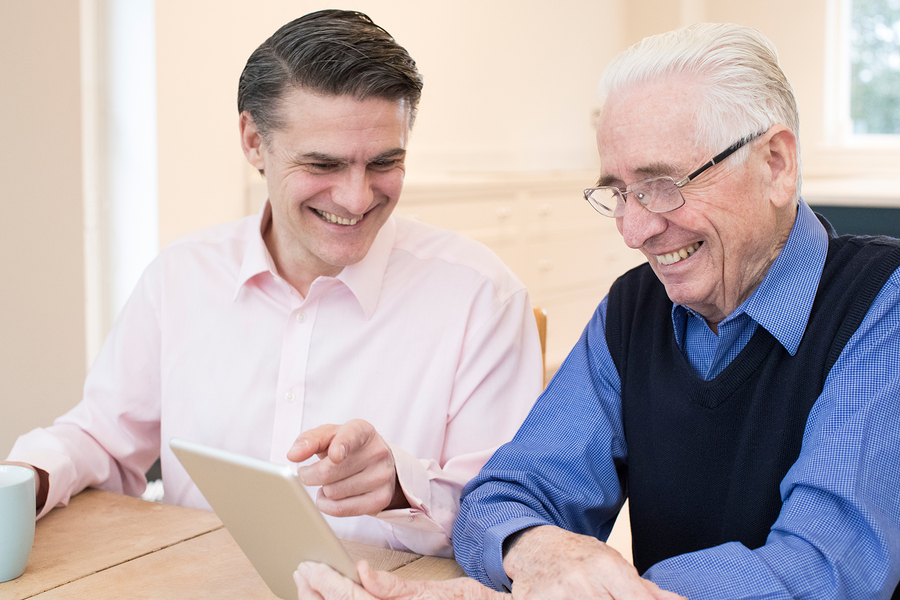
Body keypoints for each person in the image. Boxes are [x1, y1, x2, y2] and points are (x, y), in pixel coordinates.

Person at [294, 22, 900, 600]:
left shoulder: (884, 302)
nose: (634, 229)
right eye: (619, 191)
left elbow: (825, 570)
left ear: (776, 164)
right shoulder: (634, 309)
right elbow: (505, 494)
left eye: (662, 184)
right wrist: (538, 554)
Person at [3, 9, 542, 558]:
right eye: (323, 165)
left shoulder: (481, 297)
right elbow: (99, 437)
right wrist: (27, 479)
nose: (356, 198)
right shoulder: (180, 277)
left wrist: (402, 486)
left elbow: (513, 513)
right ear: (254, 141)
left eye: (384, 162)